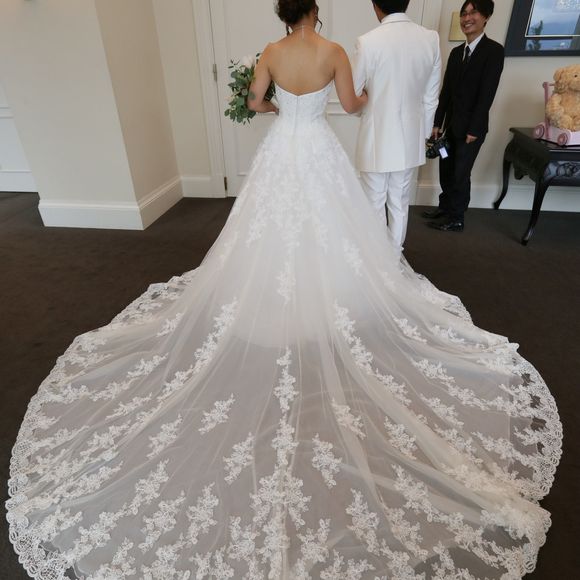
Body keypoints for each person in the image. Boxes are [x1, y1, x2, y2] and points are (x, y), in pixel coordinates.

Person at [7, 1, 560, 579]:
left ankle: (268, 297)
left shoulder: (270, 53)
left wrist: (277, 104)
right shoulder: (333, 51)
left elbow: (254, 102)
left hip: (282, 148)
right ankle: (336, 293)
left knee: (264, 228)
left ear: (282, 12)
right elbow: (351, 104)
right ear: (314, 10)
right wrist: (363, 97)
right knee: (333, 224)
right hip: (317, 147)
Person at [353, 0, 441, 252]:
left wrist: (367, 111)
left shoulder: (367, 42)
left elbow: (354, 94)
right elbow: (431, 97)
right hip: (411, 138)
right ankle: (393, 260)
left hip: (376, 136)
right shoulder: (430, 39)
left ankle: (377, 261)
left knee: (374, 201)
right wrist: (422, 135)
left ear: (375, 5)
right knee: (400, 202)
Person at [424, 0, 504, 232]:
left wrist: (474, 128)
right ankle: (445, 207)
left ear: (486, 17)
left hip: (471, 130)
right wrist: (437, 123)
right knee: (446, 168)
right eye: (463, 14)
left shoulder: (494, 51)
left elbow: (487, 93)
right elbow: (446, 91)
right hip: (450, 127)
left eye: (473, 13)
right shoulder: (457, 52)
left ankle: (456, 217)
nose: (467, 18)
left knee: (460, 173)